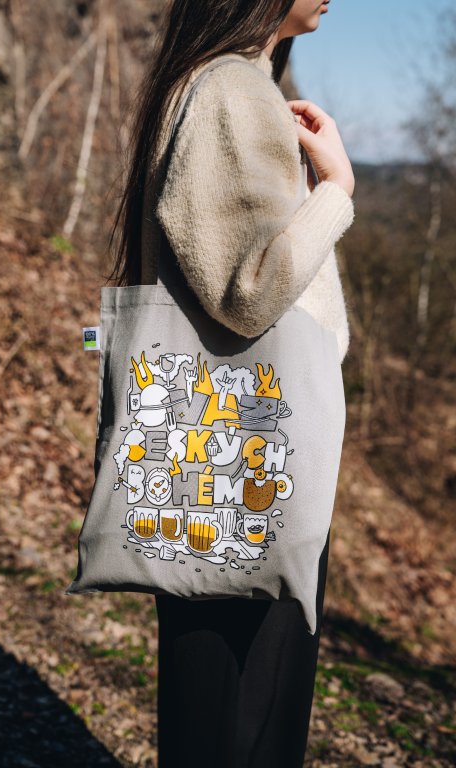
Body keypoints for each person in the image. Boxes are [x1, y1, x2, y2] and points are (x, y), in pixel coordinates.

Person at [106, 1, 355, 765]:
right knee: (244, 721)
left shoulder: (218, 83)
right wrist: (336, 189)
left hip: (214, 453)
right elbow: (250, 288)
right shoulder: (230, 88)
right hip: (252, 457)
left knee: (216, 709)